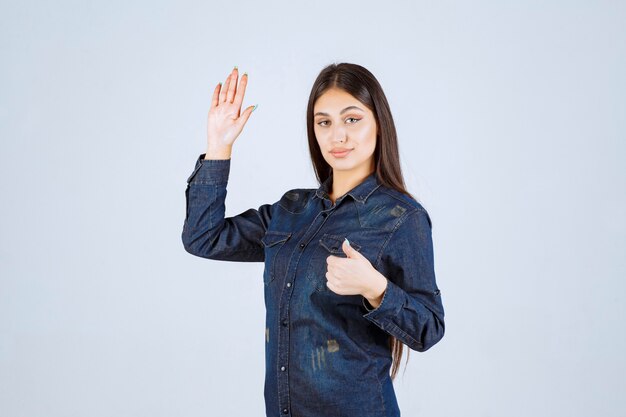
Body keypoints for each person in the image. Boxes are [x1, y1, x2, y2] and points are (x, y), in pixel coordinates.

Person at [182, 62, 445, 417]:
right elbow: (203, 237)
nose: (338, 136)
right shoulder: (292, 209)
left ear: (379, 124)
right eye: (324, 122)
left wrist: (377, 288)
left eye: (352, 119)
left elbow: (429, 327)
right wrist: (218, 147)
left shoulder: (402, 218)